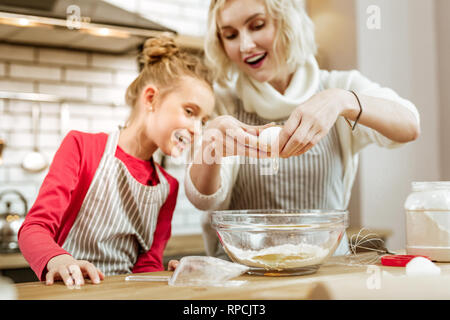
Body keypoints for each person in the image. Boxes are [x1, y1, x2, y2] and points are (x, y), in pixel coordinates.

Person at [184, 0, 421, 259]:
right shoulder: (222, 102)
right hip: (242, 274)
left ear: (288, 21)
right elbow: (204, 200)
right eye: (230, 35)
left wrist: (343, 101)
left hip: (325, 270)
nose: (245, 45)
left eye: (257, 25)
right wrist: (211, 145)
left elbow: (409, 125)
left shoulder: (340, 86)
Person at [18, 36, 214, 287]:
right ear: (151, 98)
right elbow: (34, 228)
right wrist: (57, 260)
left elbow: (146, 264)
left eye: (203, 121)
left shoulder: (168, 187)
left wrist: (166, 276)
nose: (197, 129)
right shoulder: (82, 147)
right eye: (190, 112)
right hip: (70, 289)